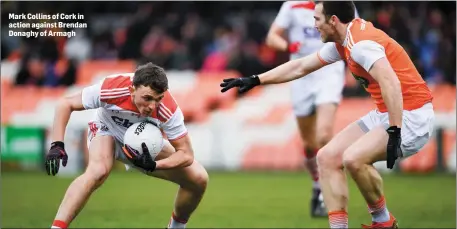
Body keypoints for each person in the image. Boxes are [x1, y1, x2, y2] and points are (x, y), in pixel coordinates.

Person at [220, 1, 434, 228]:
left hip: (411, 115)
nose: (314, 26)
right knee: (326, 157)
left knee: (353, 158)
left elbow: (390, 82)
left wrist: (395, 130)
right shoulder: (343, 42)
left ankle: (383, 222)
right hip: (387, 111)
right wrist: (256, 79)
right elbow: (300, 66)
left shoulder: (360, 44)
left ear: (333, 20)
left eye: (317, 20)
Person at [45, 62, 209, 229]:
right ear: (132, 90)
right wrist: (57, 143)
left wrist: (154, 165)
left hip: (143, 146)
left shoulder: (168, 108)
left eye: (158, 99)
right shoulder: (112, 87)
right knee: (98, 171)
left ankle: (175, 228)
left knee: (199, 178)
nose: (152, 106)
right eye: (147, 98)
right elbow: (65, 104)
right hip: (107, 130)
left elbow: (186, 154)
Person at [266, 0, 353, 217]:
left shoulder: (339, 4)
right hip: (301, 74)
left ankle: (326, 194)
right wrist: (289, 47)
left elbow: (353, 33)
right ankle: (317, 184)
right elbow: (272, 37)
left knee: (324, 135)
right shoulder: (292, 6)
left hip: (329, 71)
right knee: (308, 144)